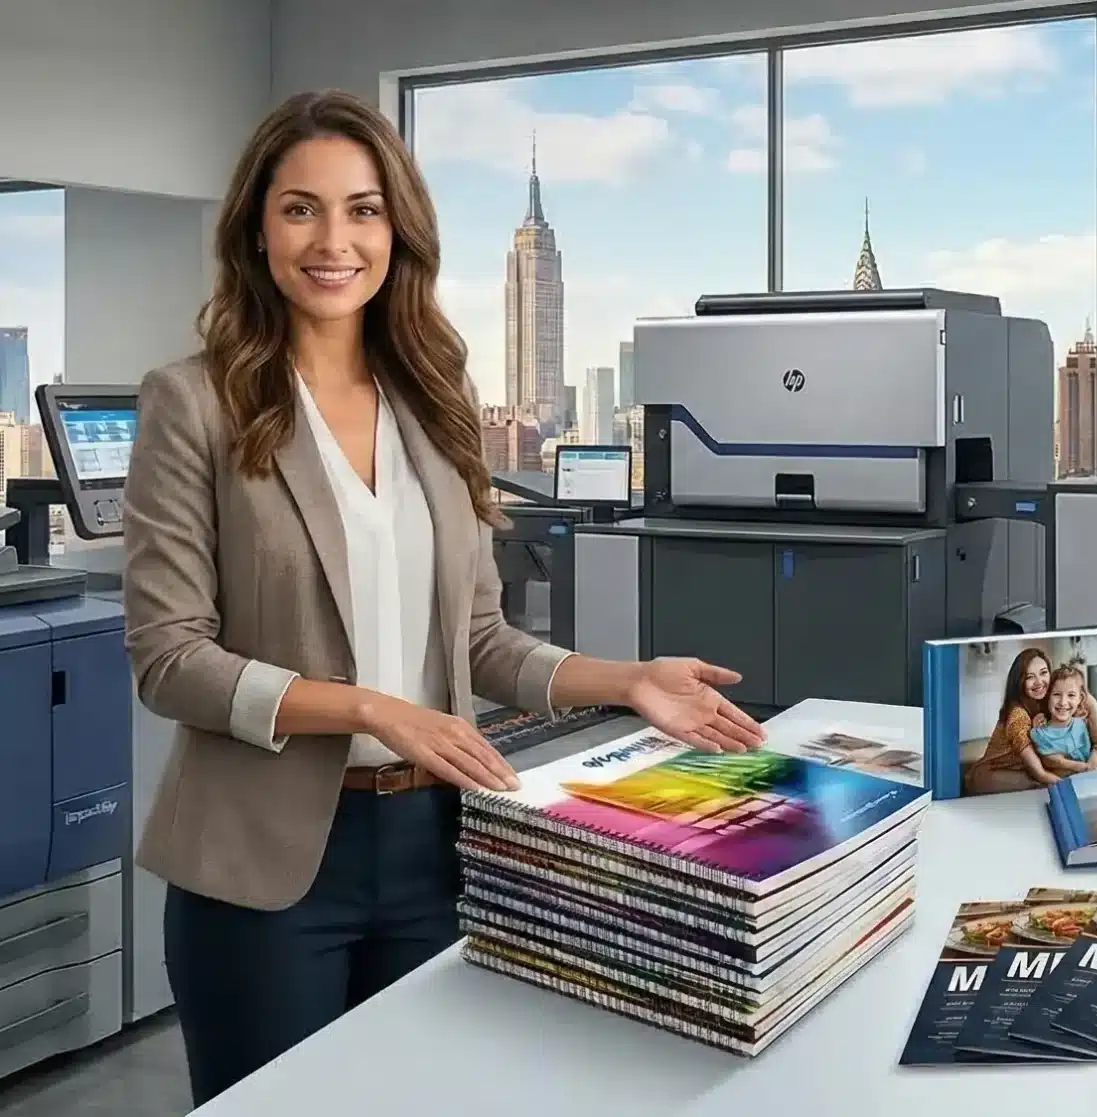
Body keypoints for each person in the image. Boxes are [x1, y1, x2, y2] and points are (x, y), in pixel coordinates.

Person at [121, 89, 767, 1106]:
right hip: (262, 865)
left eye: (363, 209)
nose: (333, 241)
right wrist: (370, 708)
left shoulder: (434, 400)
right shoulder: (194, 401)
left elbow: (479, 640)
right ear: (256, 228)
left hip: (435, 847)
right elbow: (170, 660)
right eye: (300, 209)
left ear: (398, 232)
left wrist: (627, 680)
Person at [961, 647, 1097, 793]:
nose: (1039, 682)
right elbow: (1040, 773)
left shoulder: (1051, 698)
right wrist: (1076, 785)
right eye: (1029, 677)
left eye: (1043, 673)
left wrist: (1085, 697)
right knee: (1042, 784)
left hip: (1024, 769)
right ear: (1020, 682)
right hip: (992, 775)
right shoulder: (1018, 716)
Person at [1028, 665, 1095, 765]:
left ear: (1080, 698)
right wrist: (1083, 767)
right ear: (1048, 697)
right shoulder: (1039, 734)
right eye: (1057, 694)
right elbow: (1051, 763)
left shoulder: (1081, 724)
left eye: (1071, 695)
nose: (1063, 702)